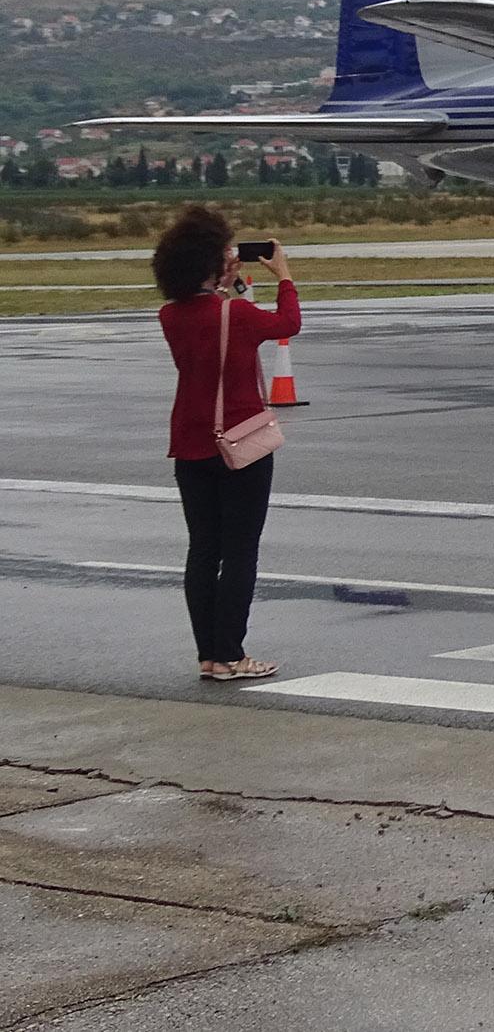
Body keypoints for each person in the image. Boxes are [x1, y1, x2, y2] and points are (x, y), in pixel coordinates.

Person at [152, 207, 298, 681]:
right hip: (240, 445)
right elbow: (287, 324)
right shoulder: (236, 313)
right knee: (240, 552)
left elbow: (211, 318)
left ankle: (209, 656)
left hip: (190, 446)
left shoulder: (170, 315)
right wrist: (285, 276)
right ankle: (233, 655)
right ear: (211, 264)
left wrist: (222, 280)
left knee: (203, 550)